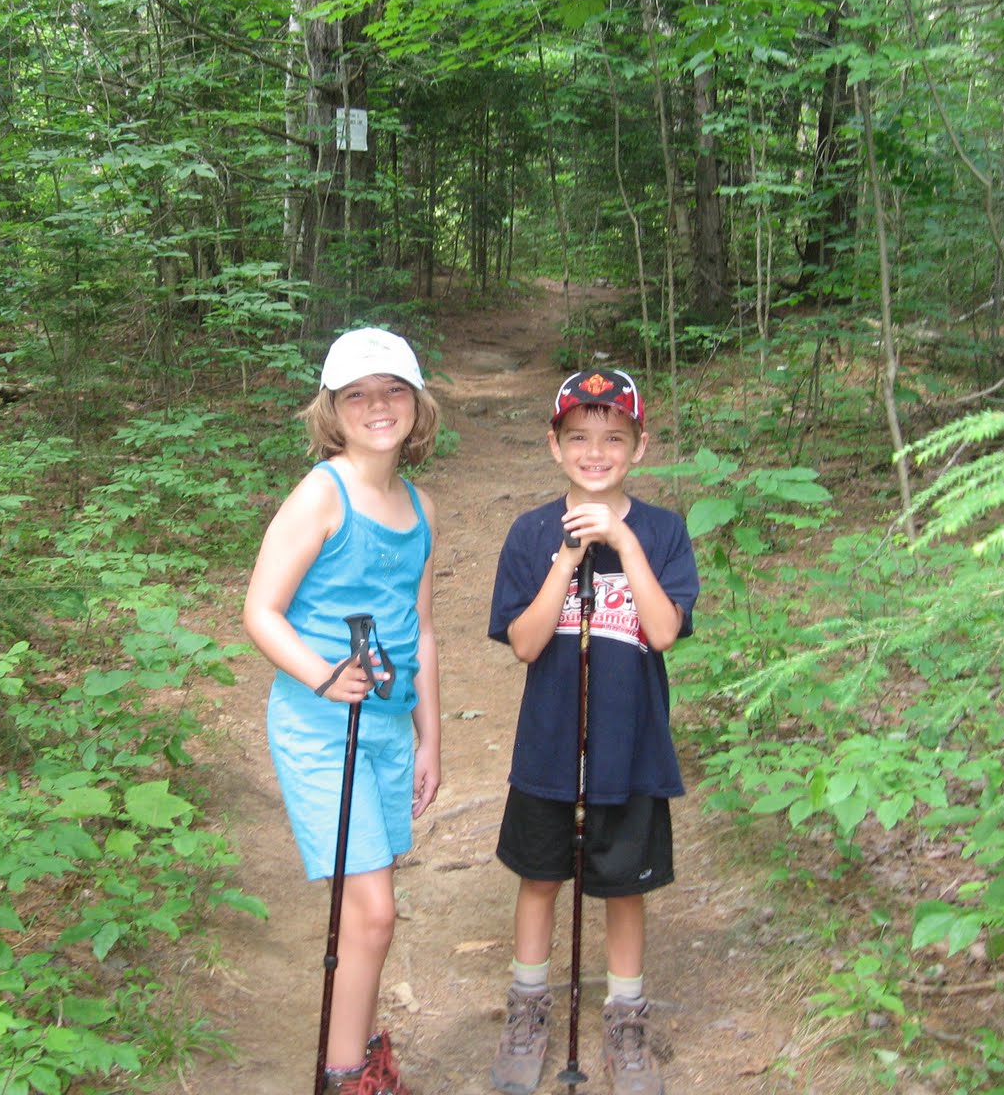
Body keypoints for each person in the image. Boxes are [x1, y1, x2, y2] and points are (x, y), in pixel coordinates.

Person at [486, 368, 700, 1095]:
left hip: (630, 749)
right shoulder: (530, 532)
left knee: (624, 889)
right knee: (540, 878)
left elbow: (665, 631)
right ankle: (527, 1009)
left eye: (614, 438)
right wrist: (569, 558)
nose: (596, 452)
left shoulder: (665, 531)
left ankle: (626, 1023)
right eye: (579, 438)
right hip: (548, 748)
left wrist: (624, 543)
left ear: (639, 447)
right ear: (555, 446)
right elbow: (524, 641)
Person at [243, 327, 443, 1095]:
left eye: (392, 390)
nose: (377, 406)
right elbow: (261, 611)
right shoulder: (321, 494)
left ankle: (354, 1055)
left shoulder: (418, 506)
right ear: (331, 409)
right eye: (356, 394)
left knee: (370, 913)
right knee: (372, 911)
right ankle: (344, 1075)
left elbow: (421, 628)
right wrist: (323, 675)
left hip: (388, 725)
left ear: (417, 403)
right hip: (323, 727)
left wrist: (430, 737)